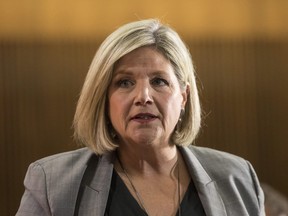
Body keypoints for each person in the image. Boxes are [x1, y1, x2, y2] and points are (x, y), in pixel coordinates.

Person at [16, 19, 265, 216]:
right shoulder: (52, 182)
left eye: (159, 81)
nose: (143, 96)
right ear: (104, 99)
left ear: (183, 97)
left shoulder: (238, 178)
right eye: (125, 82)